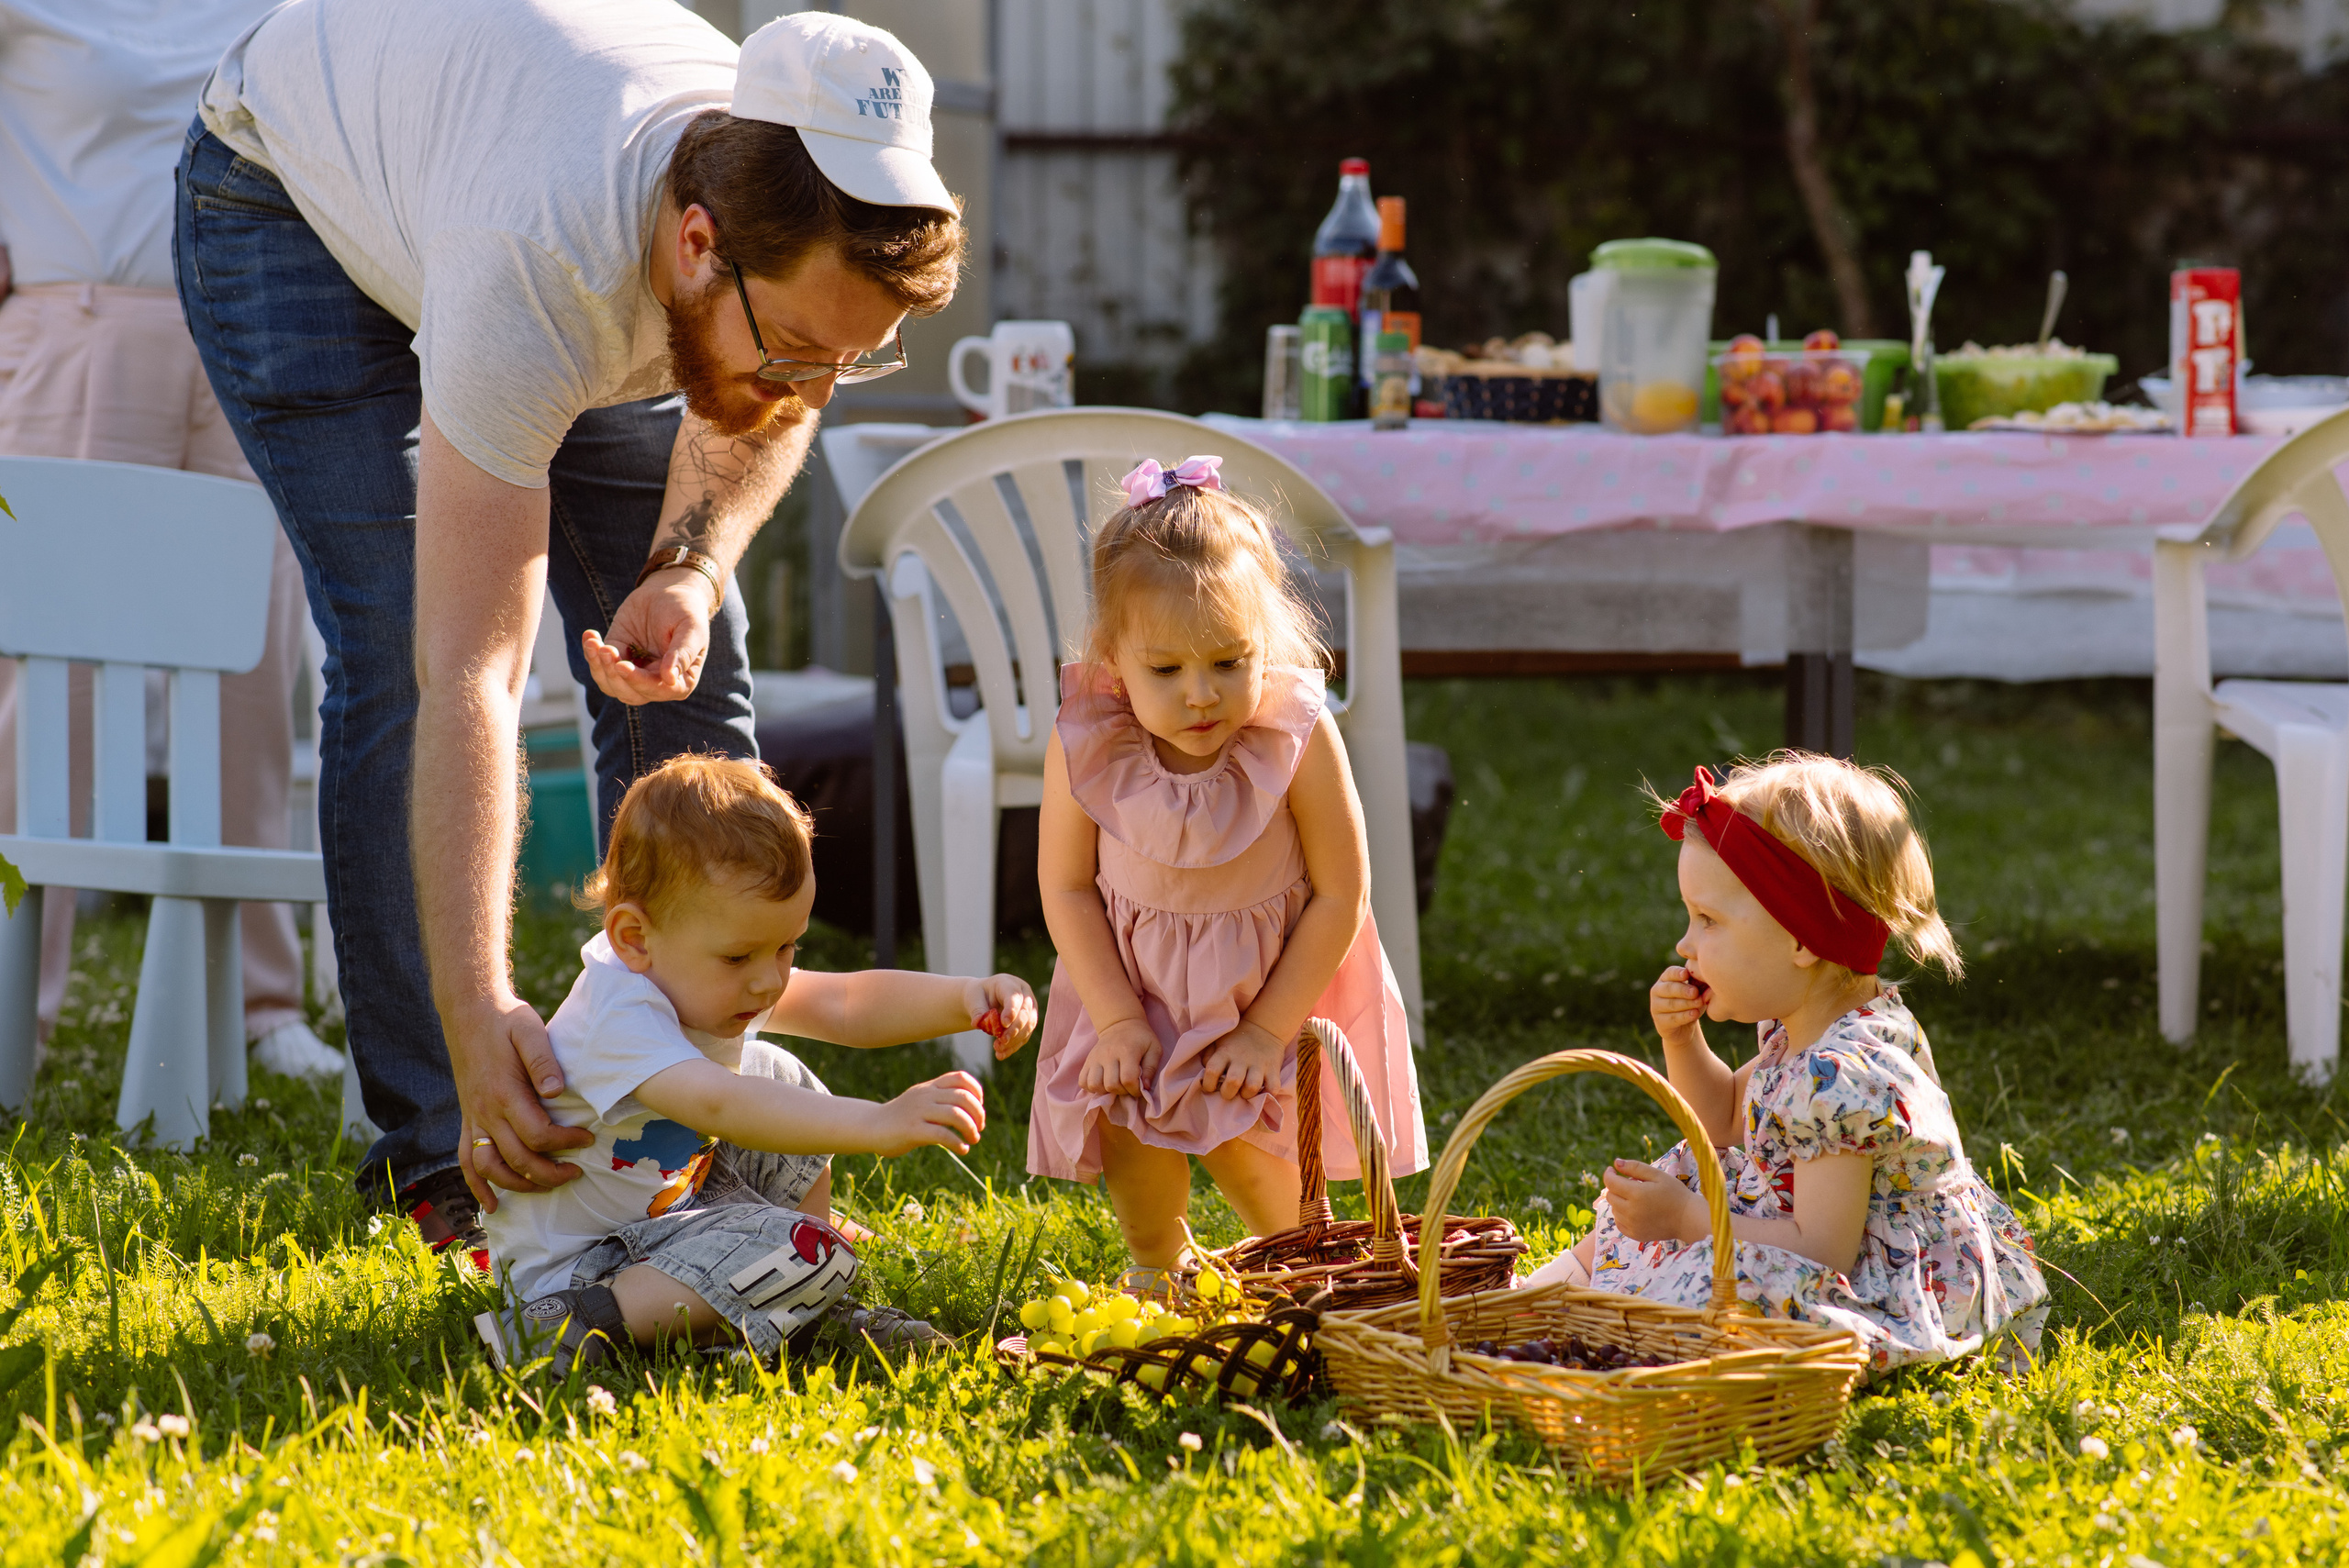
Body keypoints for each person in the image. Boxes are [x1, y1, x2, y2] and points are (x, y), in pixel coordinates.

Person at [174, 2, 965, 1254]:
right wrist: (481, 1004)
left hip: (511, 172)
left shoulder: (782, 212)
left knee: (690, 668)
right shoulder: (537, 265)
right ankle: (451, 1148)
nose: (811, 393)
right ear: (697, 243)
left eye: (851, 361)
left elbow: (770, 394)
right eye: (799, 350)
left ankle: (704, 1128)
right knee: (401, 642)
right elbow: (472, 673)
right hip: (291, 196)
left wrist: (689, 566)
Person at [0, 0, 341, 1079]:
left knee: (252, 676)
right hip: (79, 328)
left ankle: (256, 1005)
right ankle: (11, 1001)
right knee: (47, 691)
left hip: (254, 322)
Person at [480, 754, 1035, 1373]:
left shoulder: (694, 969)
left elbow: (845, 1003)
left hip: (671, 1215)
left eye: (786, 946)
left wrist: (965, 997)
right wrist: (878, 1121)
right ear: (634, 937)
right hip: (586, 1264)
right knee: (806, 1239)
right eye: (740, 956)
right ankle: (558, 1328)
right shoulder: (618, 1015)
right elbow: (720, 1104)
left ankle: (803, 1298)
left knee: (778, 1073)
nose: (769, 979)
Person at [1024, 456, 1428, 1268]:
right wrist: (1116, 1018)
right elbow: (1065, 886)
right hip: (1133, 985)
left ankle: (1306, 1266)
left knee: (1251, 1147)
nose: (1201, 693)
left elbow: (1342, 891)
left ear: (1264, 642)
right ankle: (1158, 1266)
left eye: (1229, 661)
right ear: (1113, 657)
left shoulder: (1294, 734)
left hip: (1265, 990)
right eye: (1166, 669)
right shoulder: (1087, 740)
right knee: (1130, 1120)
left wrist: (1264, 1031)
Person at [1527, 757, 2050, 1375]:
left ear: (1802, 937)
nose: (1684, 944)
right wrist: (1681, 1039)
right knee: (1687, 1183)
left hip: (1876, 1283)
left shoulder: (1845, 1071)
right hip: (1801, 1236)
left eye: (1708, 920)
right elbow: (1722, 1119)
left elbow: (1822, 1251)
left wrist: (1690, 1220)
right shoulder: (1803, 1027)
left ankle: (1593, 1342)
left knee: (1714, 1261)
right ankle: (1526, 1304)